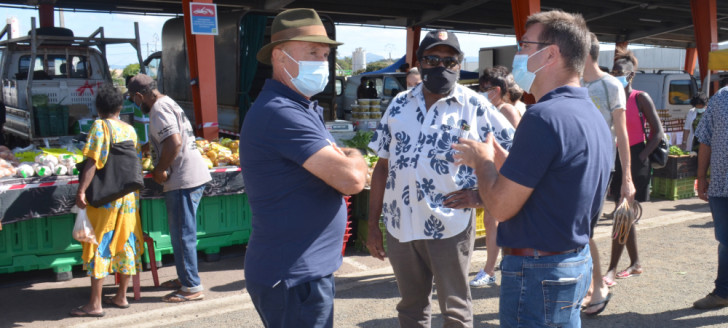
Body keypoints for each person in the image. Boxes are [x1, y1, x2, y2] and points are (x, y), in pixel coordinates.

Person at [452, 11, 612, 327]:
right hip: (571, 261)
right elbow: (553, 188)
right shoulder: (589, 113)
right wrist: (499, 160)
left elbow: (501, 206)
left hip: (538, 271)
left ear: (550, 54)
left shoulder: (543, 117)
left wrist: (482, 161)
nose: (518, 55)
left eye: (525, 45)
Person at [366, 29, 514, 327]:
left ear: (459, 65)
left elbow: (515, 159)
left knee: (456, 310)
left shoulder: (476, 106)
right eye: (433, 59)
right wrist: (372, 224)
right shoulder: (398, 104)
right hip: (400, 226)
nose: (442, 67)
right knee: (410, 308)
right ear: (420, 63)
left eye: (451, 61)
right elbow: (381, 166)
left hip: (450, 225)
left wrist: (481, 197)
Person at [239, 9, 368, 327]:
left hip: (302, 272)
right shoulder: (282, 113)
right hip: (294, 277)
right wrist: (355, 155)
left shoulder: (300, 106)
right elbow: (352, 179)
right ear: (281, 58)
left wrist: (345, 160)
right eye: (312, 53)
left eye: (325, 54)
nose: (322, 62)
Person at [127, 73, 212, 303]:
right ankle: (185, 278)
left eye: (134, 99)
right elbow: (169, 138)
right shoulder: (167, 101)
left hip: (183, 179)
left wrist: (160, 169)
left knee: (182, 235)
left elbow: (174, 142)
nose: (135, 104)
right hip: (189, 176)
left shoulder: (158, 109)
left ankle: (191, 287)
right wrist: (147, 147)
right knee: (181, 234)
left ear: (139, 95)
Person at [70, 84, 144, 317]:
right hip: (128, 198)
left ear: (98, 108)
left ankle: (95, 304)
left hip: (106, 200)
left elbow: (92, 161)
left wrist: (81, 191)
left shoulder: (100, 126)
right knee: (126, 243)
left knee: (99, 243)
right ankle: (122, 296)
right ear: (120, 107)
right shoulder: (130, 130)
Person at [580, 32, 636, 315]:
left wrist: (627, 178)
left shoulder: (610, 84)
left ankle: (597, 287)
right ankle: (590, 287)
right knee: (576, 229)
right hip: (571, 166)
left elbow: (622, 134)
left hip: (598, 167)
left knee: (583, 229)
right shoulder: (573, 83)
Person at [602, 48, 664, 287]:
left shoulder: (640, 97)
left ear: (631, 75)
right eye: (613, 70)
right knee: (625, 215)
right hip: (615, 158)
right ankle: (636, 263)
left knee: (622, 213)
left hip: (636, 158)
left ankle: (611, 269)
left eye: (620, 72)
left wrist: (641, 158)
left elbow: (657, 133)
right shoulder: (611, 98)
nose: (615, 74)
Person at [693, 85, 728, 309]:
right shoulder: (721, 98)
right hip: (721, 185)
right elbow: (705, 139)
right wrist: (701, 177)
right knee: (725, 242)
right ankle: (723, 292)